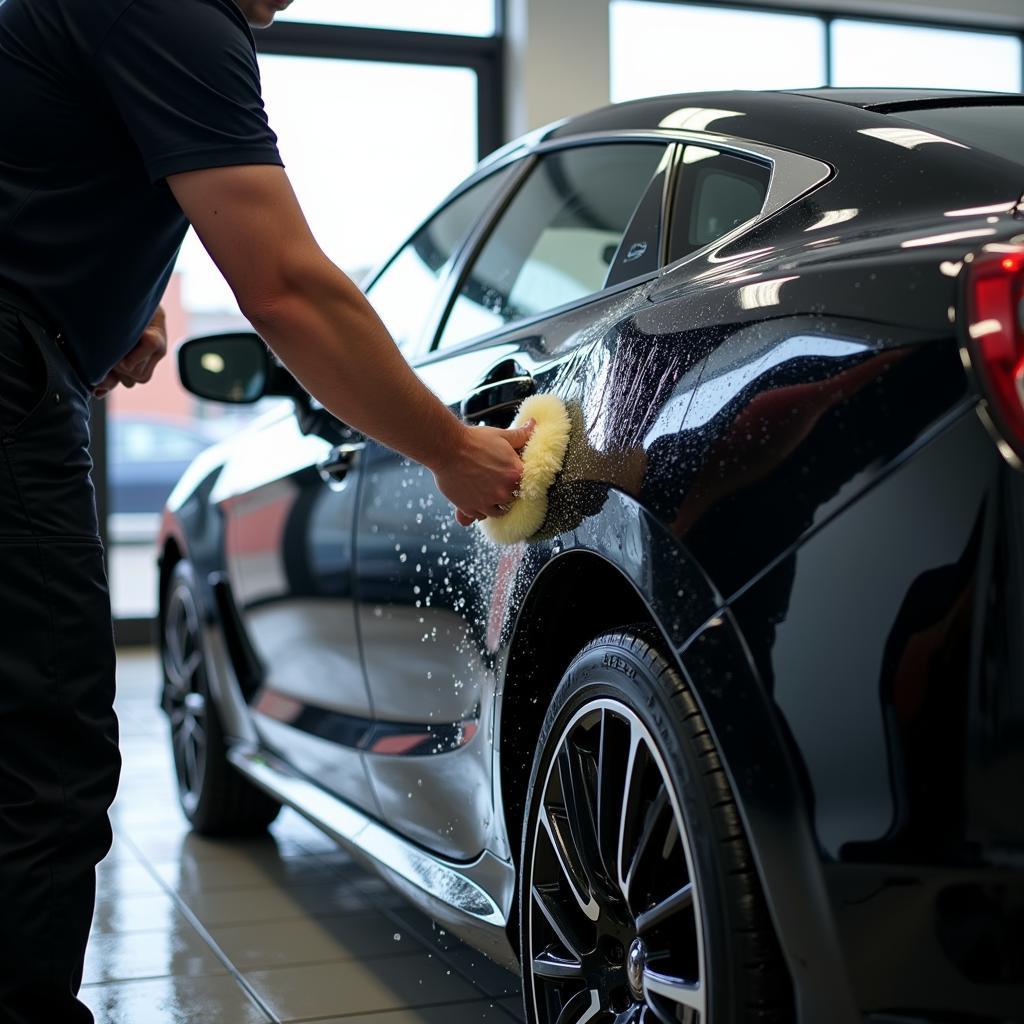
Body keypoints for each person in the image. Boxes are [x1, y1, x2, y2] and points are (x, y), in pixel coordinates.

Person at [0, 0, 532, 1020]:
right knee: (41, 752)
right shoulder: (174, 12)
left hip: (37, 356)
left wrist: (98, 304)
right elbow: (286, 287)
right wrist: (451, 445)